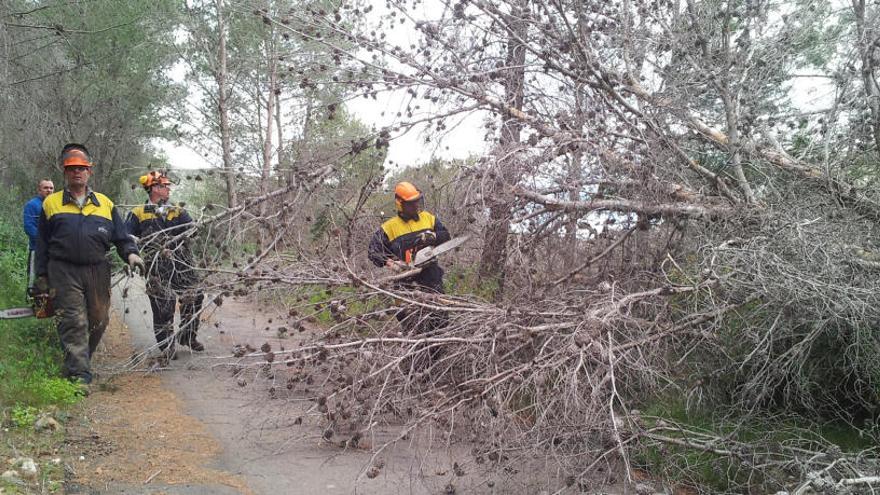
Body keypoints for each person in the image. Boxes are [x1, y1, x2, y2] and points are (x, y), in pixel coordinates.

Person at [35, 144, 144, 385]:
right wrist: (41, 275)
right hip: (63, 270)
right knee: (74, 320)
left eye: (82, 168)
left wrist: (131, 254)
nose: (77, 172)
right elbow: (42, 243)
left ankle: (80, 359)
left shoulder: (105, 203)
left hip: (97, 269)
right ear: (65, 172)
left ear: (89, 172)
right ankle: (79, 376)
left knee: (99, 319)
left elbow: (122, 236)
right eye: (72, 168)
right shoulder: (51, 203)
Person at [127, 170, 205, 356]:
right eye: (164, 185)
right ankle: (166, 346)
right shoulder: (138, 212)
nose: (168, 189)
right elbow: (126, 236)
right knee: (163, 305)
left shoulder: (177, 209)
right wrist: (135, 245)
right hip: (156, 266)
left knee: (195, 296)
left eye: (168, 185)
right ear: (153, 188)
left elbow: (192, 230)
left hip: (182, 262)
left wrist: (195, 228)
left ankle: (187, 335)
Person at [368, 181, 451, 341]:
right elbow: (373, 252)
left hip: (431, 281)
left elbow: (446, 236)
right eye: (411, 203)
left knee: (439, 325)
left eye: (416, 201)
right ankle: (414, 363)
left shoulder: (429, 219)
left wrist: (433, 236)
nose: (415, 205)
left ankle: (436, 363)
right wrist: (393, 264)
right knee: (413, 331)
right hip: (405, 285)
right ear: (400, 204)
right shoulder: (389, 228)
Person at [23, 179, 54, 290]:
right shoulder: (32, 205)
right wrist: (45, 242)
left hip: (54, 252)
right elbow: (29, 227)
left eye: (51, 188)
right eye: (45, 188)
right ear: (39, 190)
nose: (49, 190)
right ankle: (34, 304)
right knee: (34, 282)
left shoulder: (55, 205)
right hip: (36, 250)